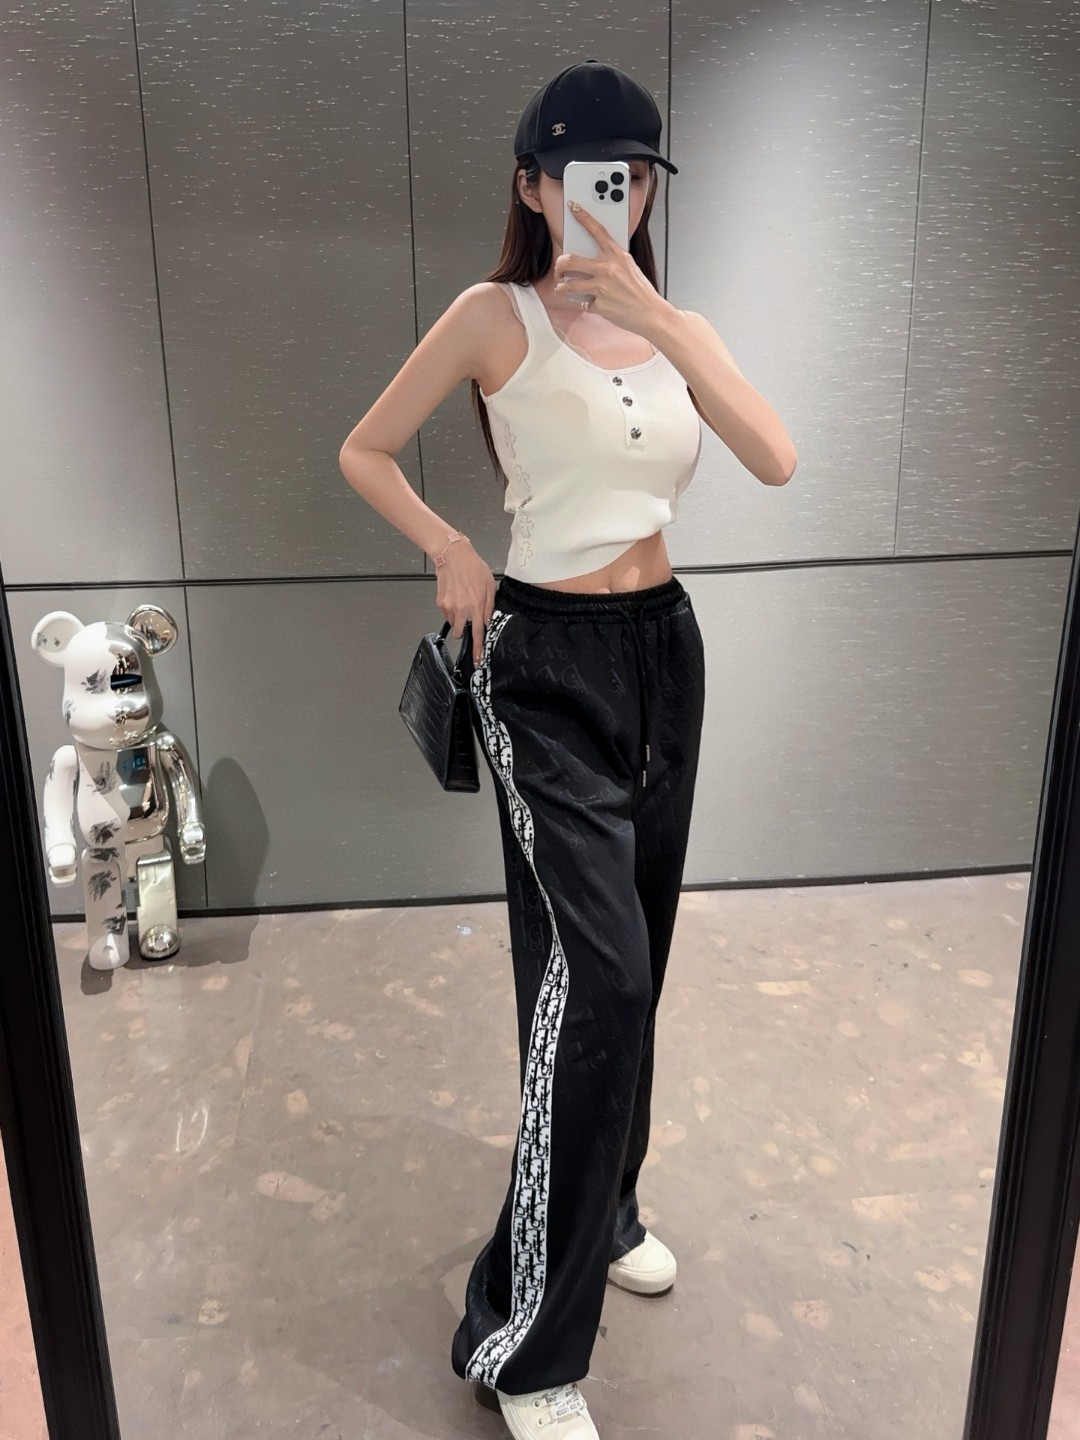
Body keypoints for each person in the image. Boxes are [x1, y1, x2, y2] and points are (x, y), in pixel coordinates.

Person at [339, 56, 796, 1440]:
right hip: (541, 665)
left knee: (638, 959)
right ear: (534, 186)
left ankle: (610, 1208)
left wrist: (660, 318)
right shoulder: (494, 317)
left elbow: (775, 456)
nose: (619, 195)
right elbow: (366, 449)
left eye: (638, 176)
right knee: (595, 980)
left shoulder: (677, 324)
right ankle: (525, 1348)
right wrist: (450, 546)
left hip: (666, 651)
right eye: (592, 173)